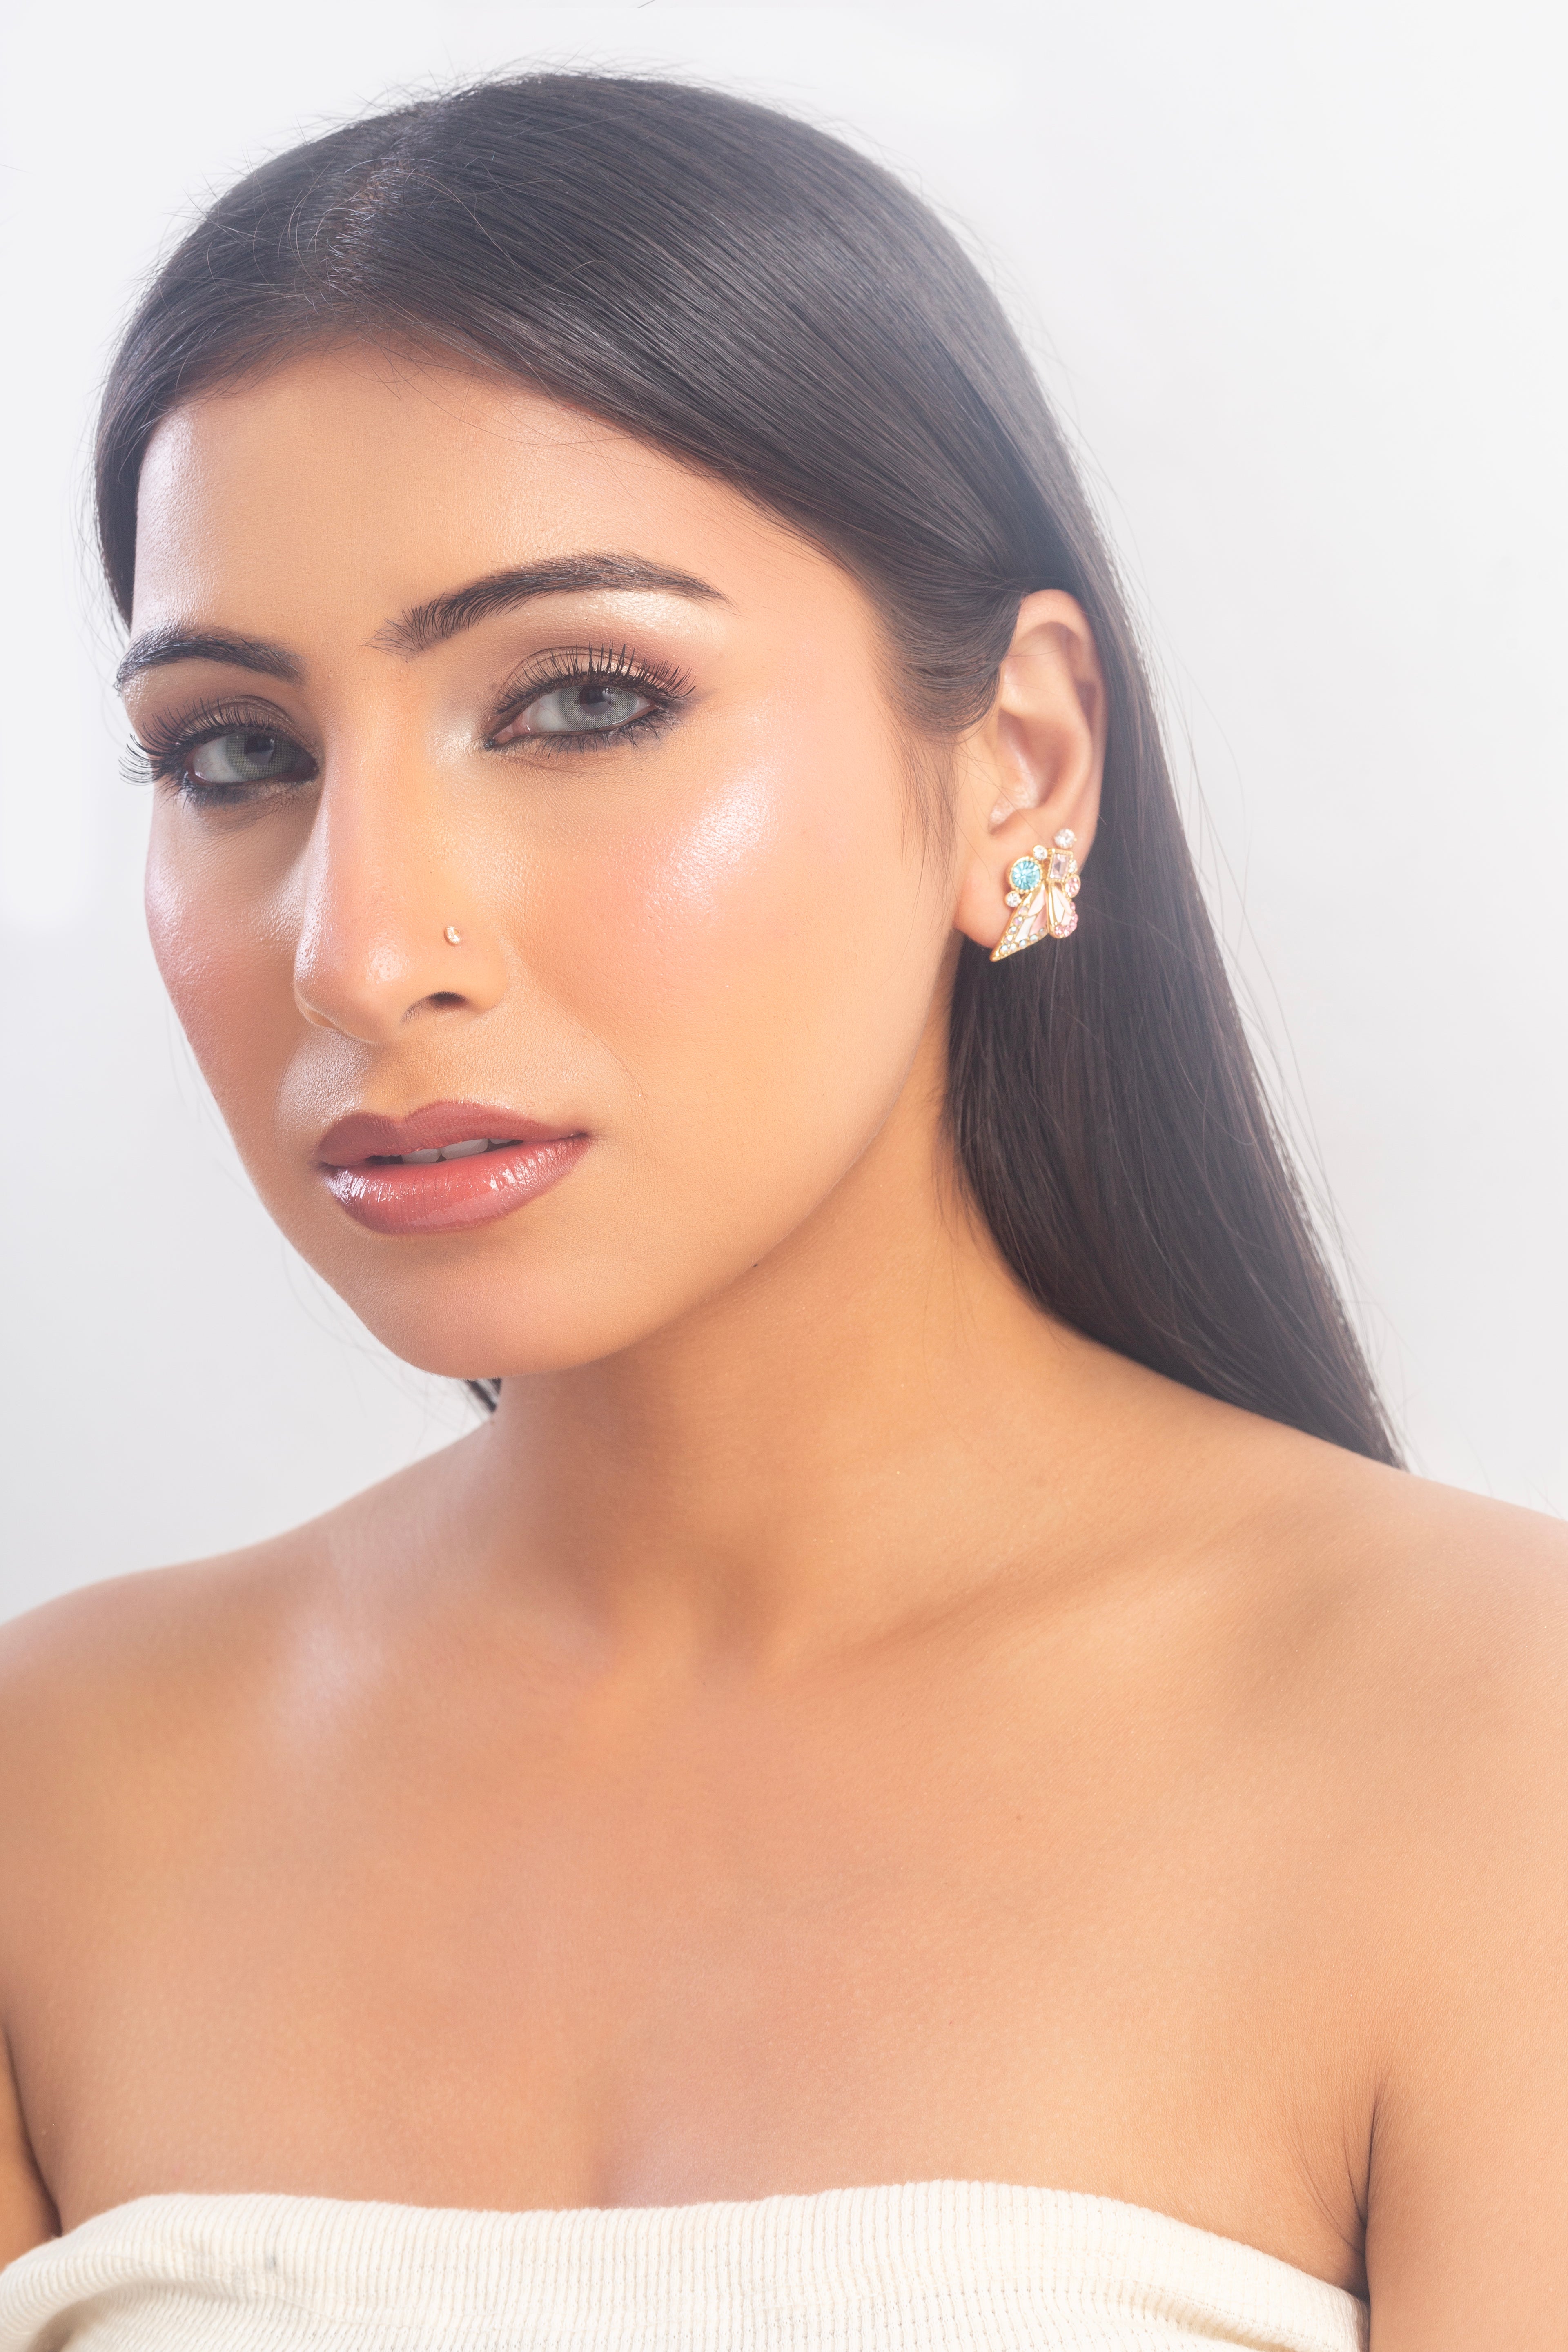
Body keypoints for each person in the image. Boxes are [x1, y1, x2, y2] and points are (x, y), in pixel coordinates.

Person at [0, 72, 1562, 2352]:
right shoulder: (52, 1795)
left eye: (580, 699)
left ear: (1019, 762)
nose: (361, 949)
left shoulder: (1499, 1751)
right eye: (237, 750)